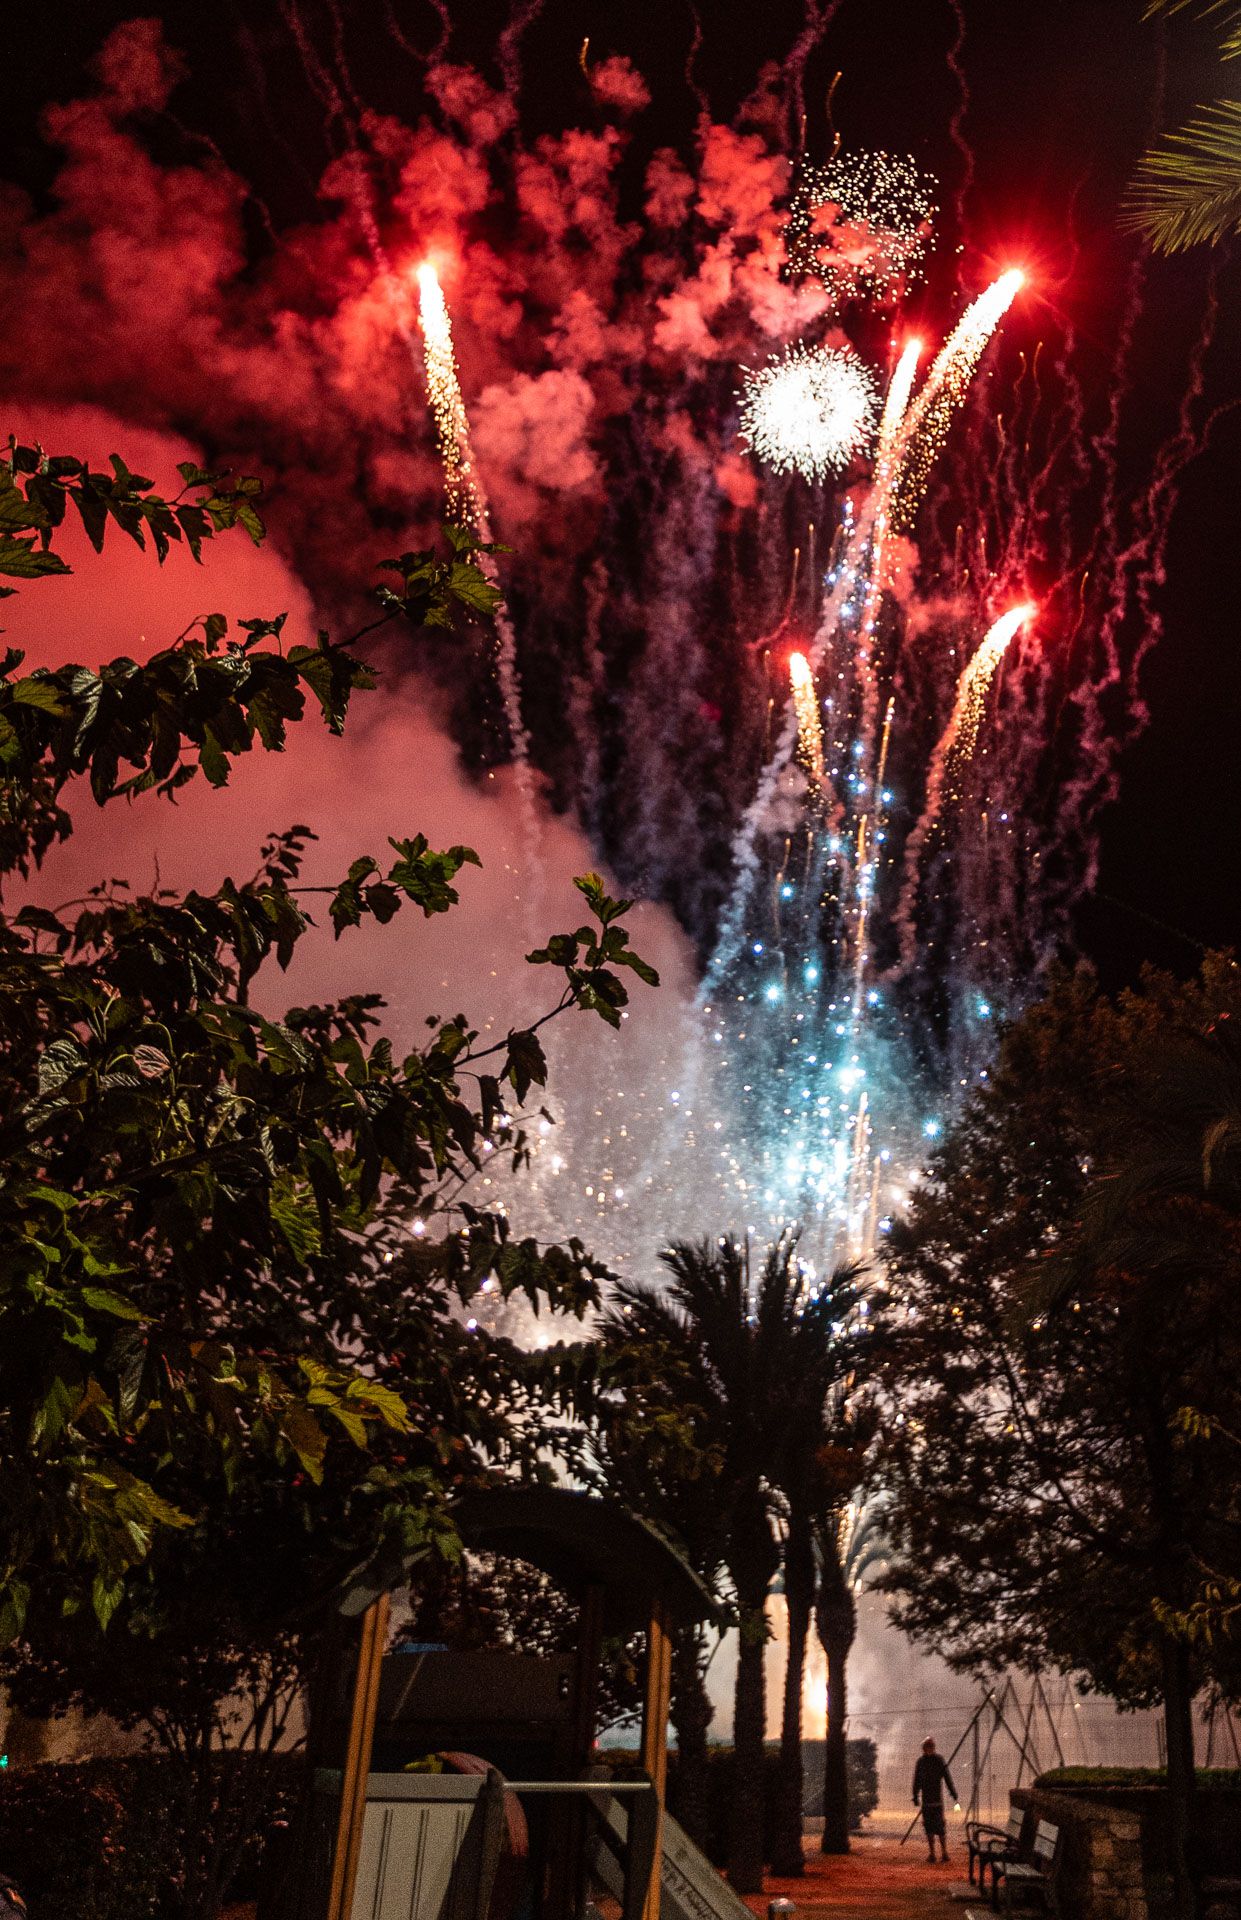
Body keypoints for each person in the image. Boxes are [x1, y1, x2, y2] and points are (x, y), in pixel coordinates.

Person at [912, 1736, 958, 1864]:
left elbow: (947, 1778)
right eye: (927, 1747)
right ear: (924, 1748)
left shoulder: (935, 1761)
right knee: (930, 1829)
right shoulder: (923, 1762)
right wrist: (915, 1795)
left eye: (930, 1747)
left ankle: (944, 1853)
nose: (929, 1749)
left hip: (935, 1801)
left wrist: (953, 1792)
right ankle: (933, 1853)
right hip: (928, 1801)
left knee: (939, 1828)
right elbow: (917, 1781)